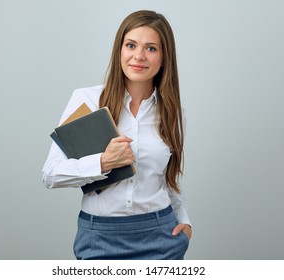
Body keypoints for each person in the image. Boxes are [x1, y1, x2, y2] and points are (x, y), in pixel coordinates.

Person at [42, 10, 192, 260]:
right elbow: (50, 174)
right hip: (99, 238)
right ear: (119, 50)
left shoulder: (174, 114)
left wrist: (184, 220)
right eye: (131, 45)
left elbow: (167, 180)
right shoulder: (87, 101)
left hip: (160, 236)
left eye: (151, 48)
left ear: (164, 57)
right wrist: (103, 162)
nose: (139, 56)